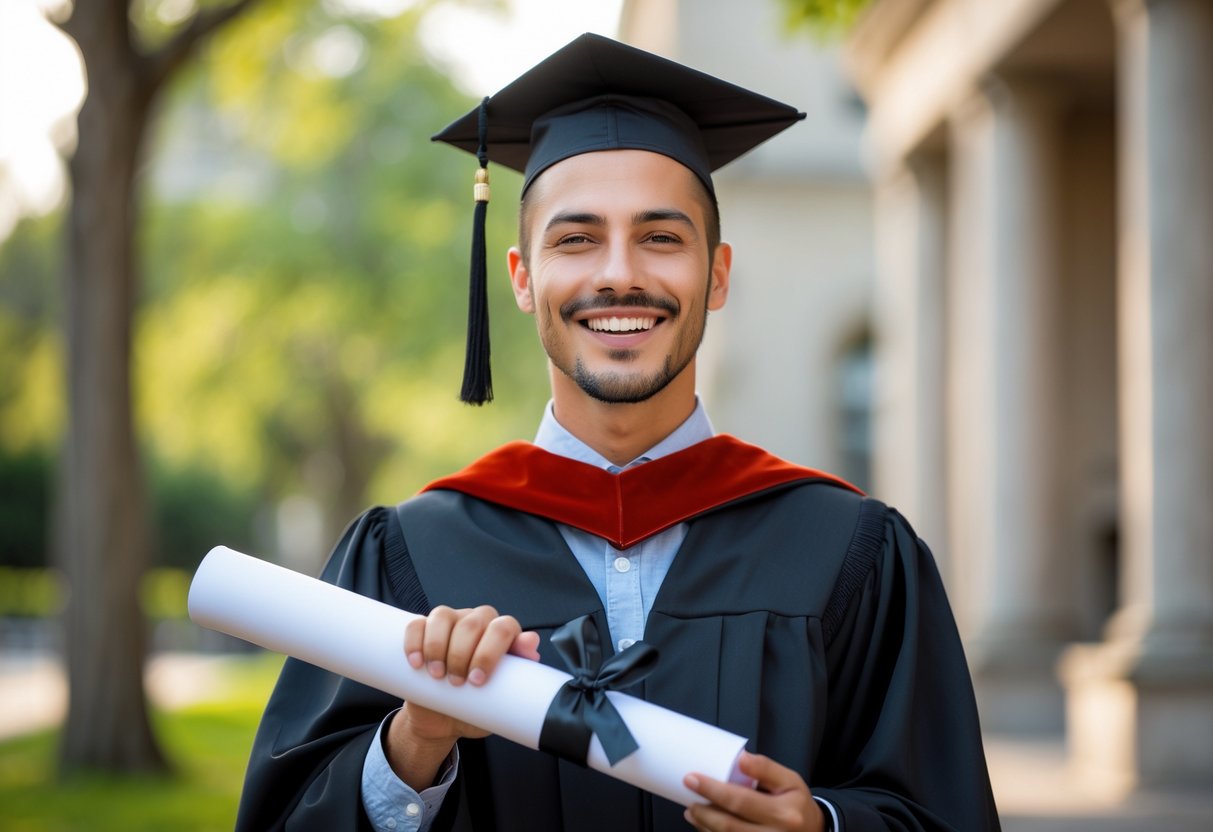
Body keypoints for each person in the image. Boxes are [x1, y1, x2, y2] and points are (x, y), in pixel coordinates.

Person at [237, 34, 1001, 832]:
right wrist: (414, 743)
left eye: (660, 238)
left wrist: (824, 828)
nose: (618, 274)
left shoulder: (848, 553)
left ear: (718, 274)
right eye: (576, 239)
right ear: (522, 279)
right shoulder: (410, 559)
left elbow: (940, 811)